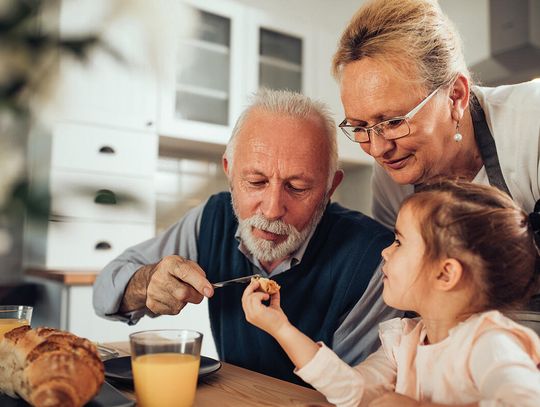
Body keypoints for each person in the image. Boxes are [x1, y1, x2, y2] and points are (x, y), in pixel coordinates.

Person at [93, 88, 397, 385]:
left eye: (298, 187)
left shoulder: (375, 260)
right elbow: (104, 292)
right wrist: (146, 283)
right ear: (229, 171)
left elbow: (354, 393)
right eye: (256, 181)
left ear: (330, 188)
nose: (272, 209)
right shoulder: (211, 219)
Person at [243, 180, 540, 406]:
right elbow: (354, 391)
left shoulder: (489, 343)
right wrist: (280, 327)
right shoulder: (404, 340)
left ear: (445, 273)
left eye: (399, 242)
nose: (385, 252)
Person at [332, 0, 540, 231]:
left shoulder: (533, 122)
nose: (378, 150)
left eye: (394, 122)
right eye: (360, 127)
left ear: (455, 96)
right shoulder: (391, 181)